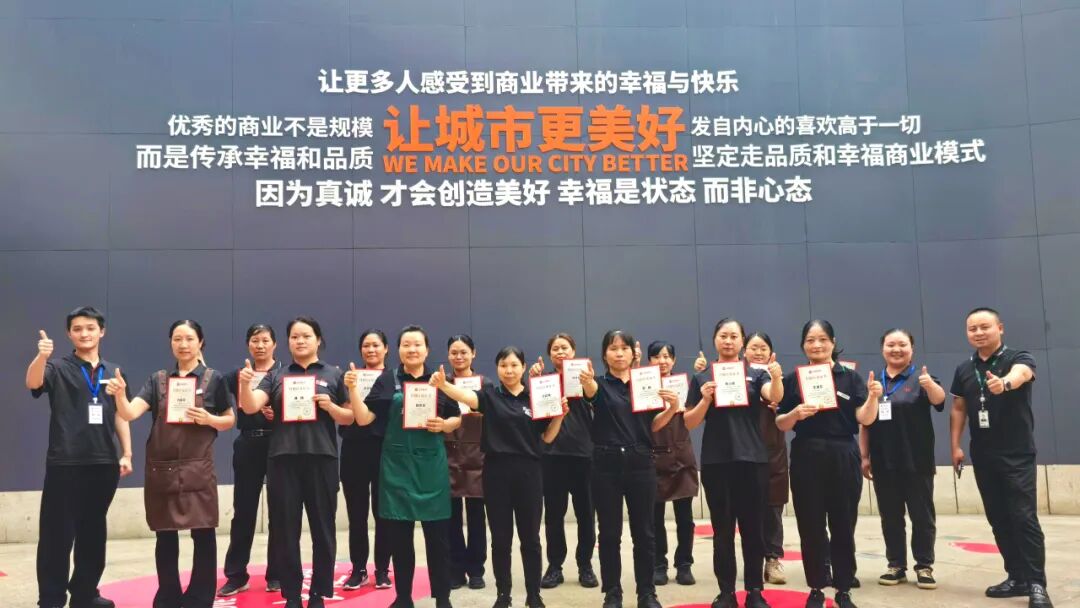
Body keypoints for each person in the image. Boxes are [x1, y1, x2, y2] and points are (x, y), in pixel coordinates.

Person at [109, 320, 234, 608]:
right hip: (162, 469)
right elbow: (129, 413)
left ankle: (200, 596)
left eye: (189, 338)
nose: (183, 344)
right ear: (170, 343)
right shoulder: (158, 380)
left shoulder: (214, 379)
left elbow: (229, 419)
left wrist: (209, 419)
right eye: (177, 339)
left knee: (203, 533)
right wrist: (120, 395)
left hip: (198, 469)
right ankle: (168, 594)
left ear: (200, 342)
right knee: (165, 537)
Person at [434, 346, 570, 608]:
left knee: (531, 538)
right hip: (496, 473)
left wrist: (560, 417)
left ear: (523, 368)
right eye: (503, 365)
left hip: (530, 473)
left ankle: (533, 595)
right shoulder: (490, 395)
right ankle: (503, 595)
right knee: (500, 539)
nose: (509, 370)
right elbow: (466, 396)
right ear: (497, 369)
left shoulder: (536, 397)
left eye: (514, 365)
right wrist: (444, 385)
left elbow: (547, 437)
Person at [238, 316, 355, 608]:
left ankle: (318, 593)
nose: (300, 341)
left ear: (318, 340)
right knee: (285, 530)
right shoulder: (277, 376)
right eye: (294, 337)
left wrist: (331, 407)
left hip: (322, 459)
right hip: (282, 460)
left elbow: (349, 417)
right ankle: (291, 594)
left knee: (323, 529)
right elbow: (251, 405)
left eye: (306, 336)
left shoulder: (334, 373)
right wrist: (244, 385)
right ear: (288, 342)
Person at [25, 307, 133, 608]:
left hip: (104, 464)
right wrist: (42, 356)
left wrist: (126, 452)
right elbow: (33, 383)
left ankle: (85, 594)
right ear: (69, 334)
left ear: (102, 331)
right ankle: (51, 598)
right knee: (56, 536)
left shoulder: (114, 371)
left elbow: (121, 414)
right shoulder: (57, 367)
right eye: (77, 329)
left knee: (93, 533)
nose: (84, 333)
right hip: (65, 464)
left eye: (90, 328)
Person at [950, 307, 1052, 608]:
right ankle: (1017, 577)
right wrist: (955, 446)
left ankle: (1037, 584)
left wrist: (1005, 383)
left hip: (1017, 453)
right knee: (999, 518)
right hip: (983, 454)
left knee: (1024, 517)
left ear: (1000, 328)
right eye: (972, 328)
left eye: (985, 326)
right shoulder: (965, 369)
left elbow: (1023, 374)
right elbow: (959, 408)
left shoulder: (1018, 357)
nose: (979, 333)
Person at [776, 320, 879, 608]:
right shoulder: (793, 379)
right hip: (806, 454)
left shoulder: (850, 377)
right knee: (810, 525)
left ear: (833, 342)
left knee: (843, 523)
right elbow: (780, 422)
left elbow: (865, 418)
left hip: (843, 453)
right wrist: (795, 414)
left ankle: (843, 588)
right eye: (810, 340)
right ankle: (816, 587)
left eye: (822, 339)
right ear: (803, 345)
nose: (817, 345)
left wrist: (873, 397)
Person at [358, 325, 462, 608]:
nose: (412, 349)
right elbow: (365, 418)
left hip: (431, 468)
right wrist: (353, 390)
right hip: (397, 467)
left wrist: (445, 425)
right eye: (406, 344)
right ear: (398, 349)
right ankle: (403, 597)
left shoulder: (440, 380)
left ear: (427, 350)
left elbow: (457, 417)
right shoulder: (386, 379)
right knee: (400, 539)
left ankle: (443, 598)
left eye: (417, 344)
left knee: (438, 539)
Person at [685, 320, 782, 608]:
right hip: (717, 462)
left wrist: (776, 378)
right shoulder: (702, 377)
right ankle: (726, 591)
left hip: (753, 461)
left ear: (742, 342)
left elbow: (773, 396)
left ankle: (754, 591)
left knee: (753, 529)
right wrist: (705, 400)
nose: (728, 341)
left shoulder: (756, 373)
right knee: (723, 531)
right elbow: (689, 422)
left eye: (734, 336)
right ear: (715, 339)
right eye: (723, 336)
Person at [583, 329, 680, 608]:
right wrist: (587, 382)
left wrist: (672, 407)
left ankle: (646, 593)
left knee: (645, 533)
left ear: (632, 353)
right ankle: (612, 593)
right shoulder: (599, 384)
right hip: (606, 464)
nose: (619, 353)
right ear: (604, 354)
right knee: (609, 534)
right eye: (613, 348)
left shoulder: (644, 382)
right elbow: (591, 394)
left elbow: (653, 425)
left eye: (624, 348)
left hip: (641, 462)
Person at [858, 328, 945, 590]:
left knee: (922, 516)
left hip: (917, 461)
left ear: (912, 349)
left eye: (902, 344)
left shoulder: (922, 378)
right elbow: (865, 423)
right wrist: (864, 456)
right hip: (884, 462)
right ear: (882, 349)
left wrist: (930, 385)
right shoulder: (875, 381)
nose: (896, 349)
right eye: (891, 344)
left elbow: (939, 400)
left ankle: (924, 566)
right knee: (890, 517)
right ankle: (895, 565)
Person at [219, 323, 283, 596]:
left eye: (265, 340)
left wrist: (278, 415)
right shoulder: (237, 375)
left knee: (280, 512)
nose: (260, 345)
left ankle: (277, 574)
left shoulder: (285, 374)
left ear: (274, 344)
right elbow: (217, 393)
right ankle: (236, 575)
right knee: (243, 511)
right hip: (247, 443)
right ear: (248, 345)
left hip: (279, 444)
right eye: (255, 340)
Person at [531, 333, 598, 590]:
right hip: (552, 456)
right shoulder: (543, 380)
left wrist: (589, 381)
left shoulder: (584, 376)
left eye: (565, 348)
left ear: (573, 351)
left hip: (583, 455)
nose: (560, 352)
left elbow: (594, 399)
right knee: (554, 515)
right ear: (549, 354)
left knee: (586, 514)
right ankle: (555, 566)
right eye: (555, 349)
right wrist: (534, 381)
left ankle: (585, 565)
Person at [339, 328, 393, 590]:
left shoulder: (393, 378)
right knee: (356, 514)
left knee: (384, 514)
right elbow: (344, 412)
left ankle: (382, 570)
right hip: (353, 450)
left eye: (376, 345)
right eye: (366, 346)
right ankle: (358, 569)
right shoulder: (349, 377)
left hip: (384, 451)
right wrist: (349, 390)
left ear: (386, 349)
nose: (371, 350)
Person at [646, 341, 699, 588]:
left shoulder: (683, 385)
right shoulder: (643, 386)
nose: (662, 361)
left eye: (667, 356)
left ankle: (684, 564)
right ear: (649, 361)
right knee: (654, 517)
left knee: (685, 517)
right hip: (653, 457)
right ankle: (659, 564)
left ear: (674, 360)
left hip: (681, 456)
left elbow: (692, 416)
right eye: (656, 356)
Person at [441, 334, 490, 590]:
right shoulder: (441, 383)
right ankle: (456, 569)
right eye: (454, 352)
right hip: (447, 455)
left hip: (477, 456)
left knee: (476, 516)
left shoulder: (485, 384)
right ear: (448, 355)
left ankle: (476, 569)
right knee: (451, 516)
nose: (459, 357)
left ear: (474, 353)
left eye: (463, 352)